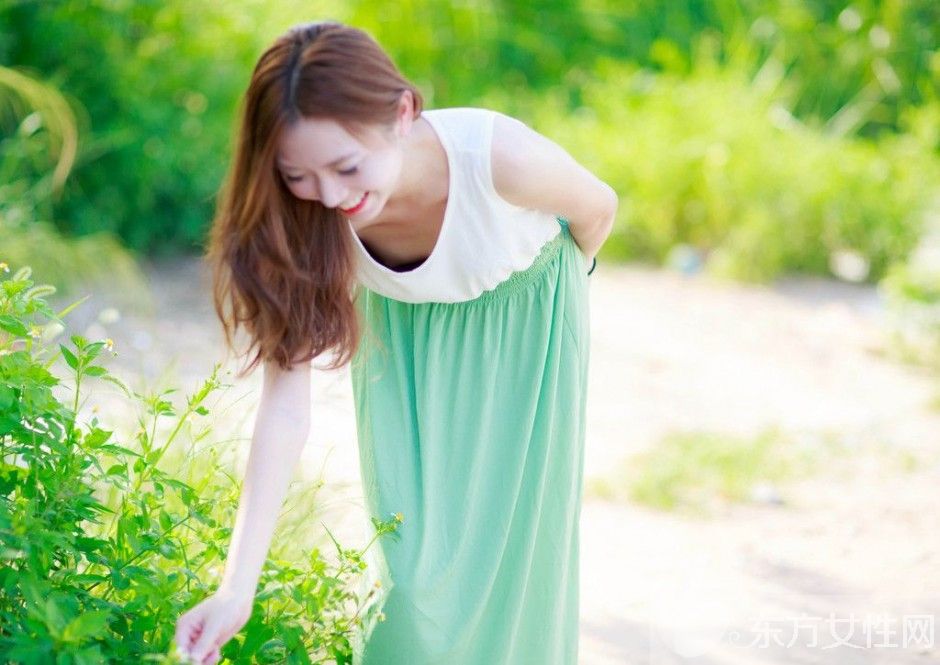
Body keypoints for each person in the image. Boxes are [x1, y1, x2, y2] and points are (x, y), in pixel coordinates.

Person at [174, 20, 616, 665]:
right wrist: (235, 591)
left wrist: (553, 310)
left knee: (519, 571)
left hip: (529, 338)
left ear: (404, 112)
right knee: (410, 593)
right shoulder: (298, 218)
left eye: (346, 166)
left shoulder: (496, 158)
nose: (328, 196)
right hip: (405, 351)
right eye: (298, 174)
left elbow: (596, 208)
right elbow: (285, 407)